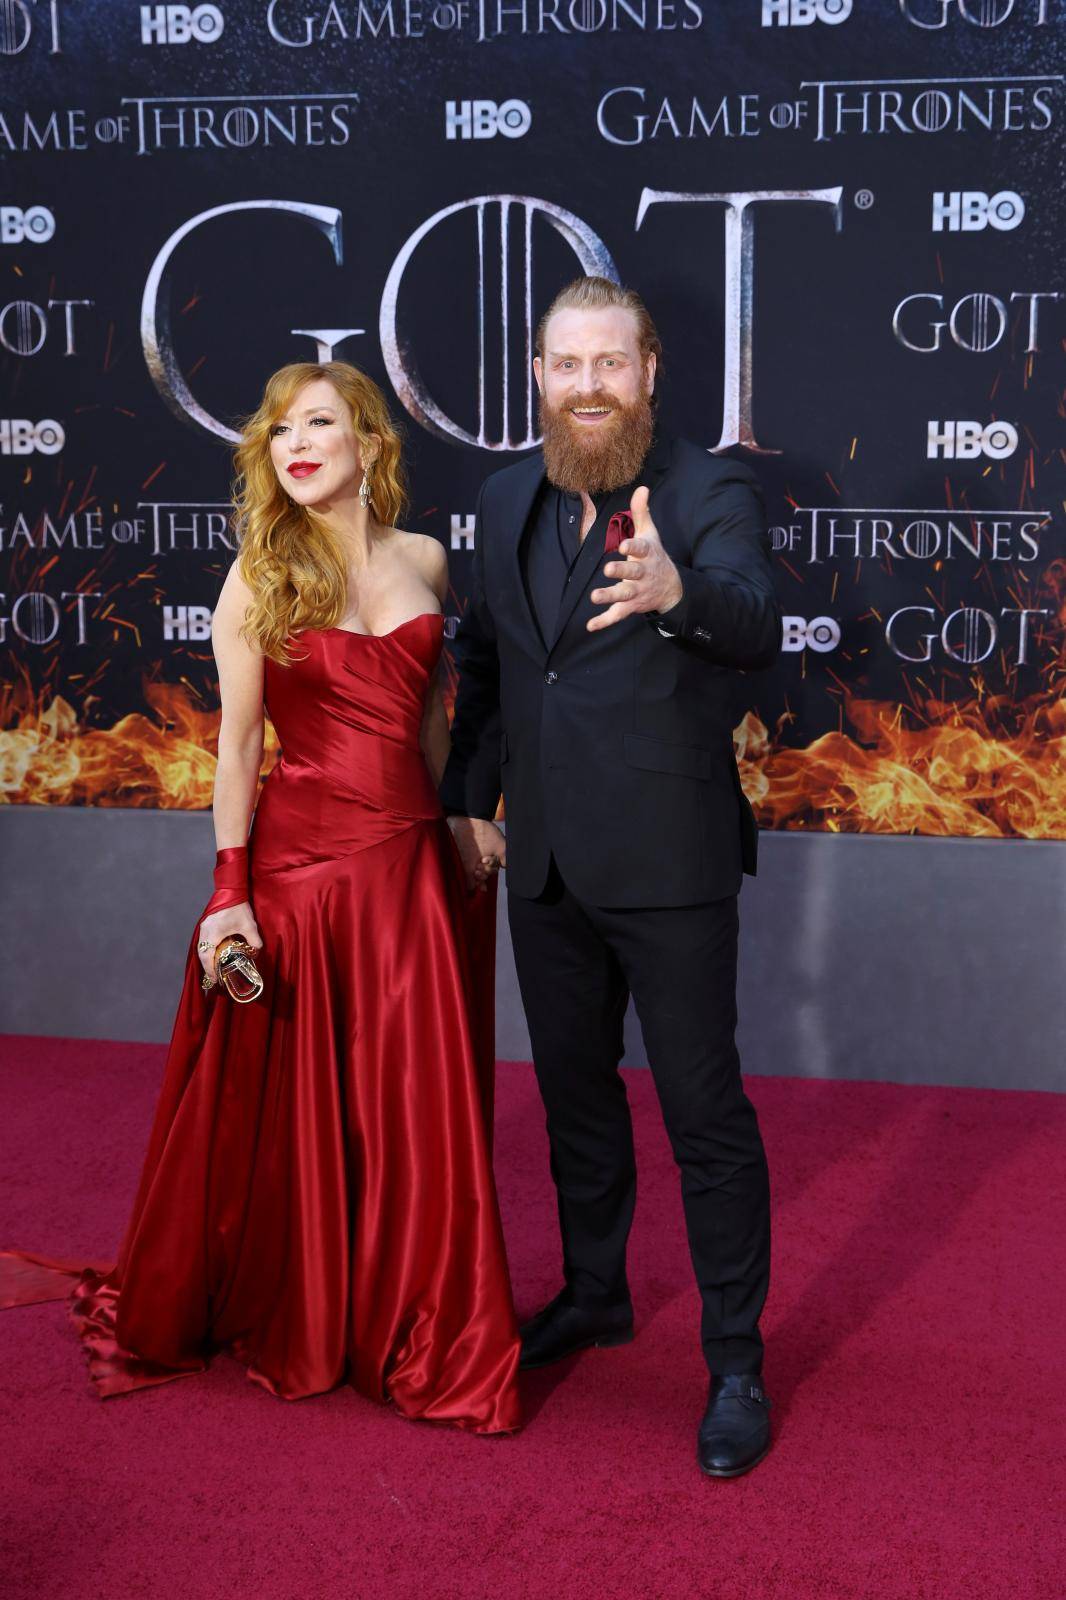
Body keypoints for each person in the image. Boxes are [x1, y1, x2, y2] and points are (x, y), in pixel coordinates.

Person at [1, 361, 521, 1436]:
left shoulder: (424, 558)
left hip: (409, 872)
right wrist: (227, 896)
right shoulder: (257, 574)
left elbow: (427, 723)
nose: (295, 443)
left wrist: (462, 813)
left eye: (319, 424)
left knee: (411, 1112)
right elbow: (236, 750)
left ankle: (412, 1320)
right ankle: (311, 1306)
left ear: (370, 445)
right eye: (279, 429)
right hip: (300, 875)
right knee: (306, 1108)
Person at [442, 277, 781, 1476]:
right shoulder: (497, 497)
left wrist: (679, 596)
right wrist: (462, 799)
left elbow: (754, 616)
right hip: (540, 861)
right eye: (564, 363)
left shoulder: (707, 488)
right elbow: (488, 663)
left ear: (649, 373)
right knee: (577, 1102)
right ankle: (596, 1293)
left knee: (705, 1116)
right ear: (535, 375)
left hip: (669, 862)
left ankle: (735, 1358)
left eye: (610, 363)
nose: (587, 385)